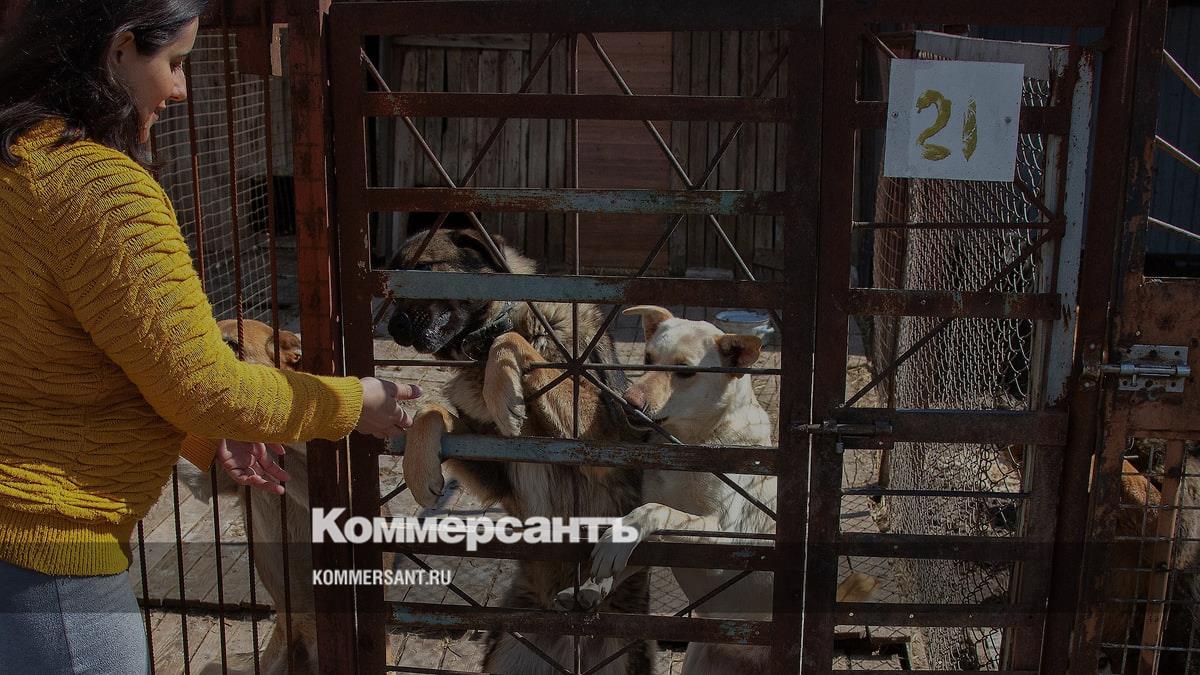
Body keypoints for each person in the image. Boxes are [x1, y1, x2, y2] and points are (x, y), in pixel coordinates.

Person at [0, 1, 419, 672]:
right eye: (173, 63)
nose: (180, 88)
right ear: (119, 50)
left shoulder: (14, 164)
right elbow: (206, 386)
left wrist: (204, 436)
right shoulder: (98, 190)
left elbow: (65, 355)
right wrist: (358, 401)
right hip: (49, 559)